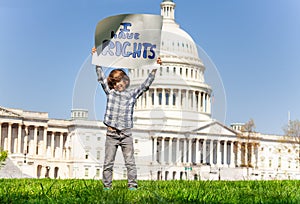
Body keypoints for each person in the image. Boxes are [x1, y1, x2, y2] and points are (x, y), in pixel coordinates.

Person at [92, 47, 162, 190]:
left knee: (130, 161)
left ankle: (132, 186)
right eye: (116, 81)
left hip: (125, 133)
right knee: (108, 162)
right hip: (111, 133)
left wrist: (155, 68)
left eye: (122, 80)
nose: (119, 84)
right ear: (113, 83)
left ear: (126, 81)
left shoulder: (132, 94)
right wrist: (96, 60)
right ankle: (107, 187)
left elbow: (145, 85)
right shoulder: (110, 93)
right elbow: (100, 78)